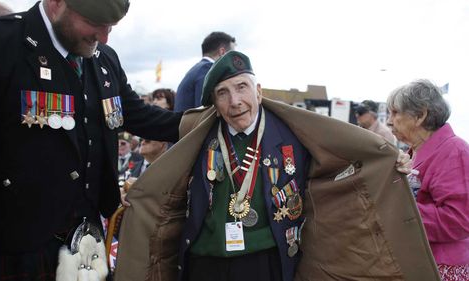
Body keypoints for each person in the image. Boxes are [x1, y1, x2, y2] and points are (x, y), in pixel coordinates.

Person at [114, 51, 440, 281]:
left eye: (242, 87)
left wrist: (387, 157)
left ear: (258, 90)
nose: (235, 101)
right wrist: (143, 194)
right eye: (223, 93)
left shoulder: (295, 131)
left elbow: (348, 156)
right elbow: (157, 154)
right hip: (205, 261)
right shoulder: (196, 131)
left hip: (265, 262)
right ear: (214, 102)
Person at [0, 0, 182, 280]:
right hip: (22, 254)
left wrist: (204, 121)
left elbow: (138, 115)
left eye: (110, 27)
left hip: (87, 246)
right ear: (57, 4)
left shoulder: (104, 59)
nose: (104, 37)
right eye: (95, 24)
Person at [386, 79, 469, 281]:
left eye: (395, 113)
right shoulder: (413, 152)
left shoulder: (454, 151)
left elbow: (458, 220)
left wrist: (397, 208)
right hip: (418, 258)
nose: (389, 121)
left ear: (420, 115)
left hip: (439, 266)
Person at [174, 31, 236, 112]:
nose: (233, 59)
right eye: (232, 54)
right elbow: (204, 112)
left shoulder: (198, 69)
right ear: (222, 52)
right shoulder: (207, 70)